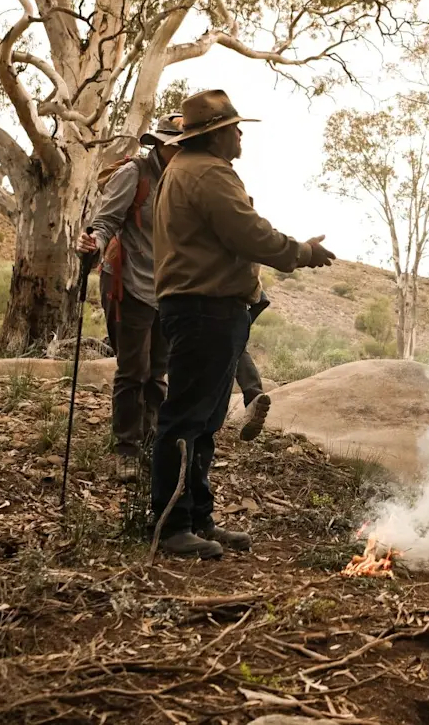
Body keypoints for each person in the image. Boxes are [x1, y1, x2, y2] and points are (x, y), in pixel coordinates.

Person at [147, 89, 336, 559]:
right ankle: (172, 527)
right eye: (234, 127)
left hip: (202, 307)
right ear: (214, 134)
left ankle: (197, 519)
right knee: (188, 420)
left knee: (203, 421)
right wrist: (303, 253)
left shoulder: (185, 170)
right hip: (205, 309)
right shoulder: (208, 173)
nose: (240, 134)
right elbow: (248, 233)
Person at [77, 118, 273, 484]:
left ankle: (154, 442)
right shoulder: (135, 174)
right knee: (132, 370)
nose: (181, 149)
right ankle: (126, 450)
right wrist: (93, 244)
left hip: (173, 290)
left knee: (159, 372)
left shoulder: (189, 178)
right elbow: (105, 223)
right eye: (176, 143)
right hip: (130, 282)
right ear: (160, 144)